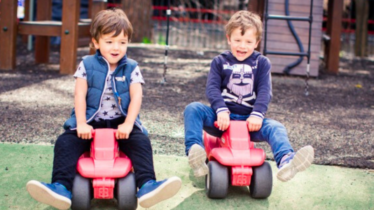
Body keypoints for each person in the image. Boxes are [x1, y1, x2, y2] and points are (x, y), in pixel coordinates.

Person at [26, 8, 181, 209]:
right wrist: (81, 123)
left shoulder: (132, 67)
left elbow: (136, 97)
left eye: (122, 42)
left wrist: (128, 124)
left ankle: (146, 184)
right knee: (65, 142)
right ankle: (61, 187)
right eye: (109, 42)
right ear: (96, 42)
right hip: (90, 121)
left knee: (141, 141)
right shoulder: (87, 64)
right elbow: (80, 94)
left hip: (121, 121)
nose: (116, 47)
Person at [184, 10, 314, 182]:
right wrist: (221, 110)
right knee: (193, 109)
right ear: (229, 38)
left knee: (276, 128)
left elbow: (264, 92)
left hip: (250, 123)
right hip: (221, 119)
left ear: (257, 42)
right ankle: (195, 152)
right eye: (237, 40)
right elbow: (212, 88)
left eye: (248, 41)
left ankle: (286, 160)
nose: (242, 46)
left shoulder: (262, 63)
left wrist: (257, 114)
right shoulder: (219, 62)